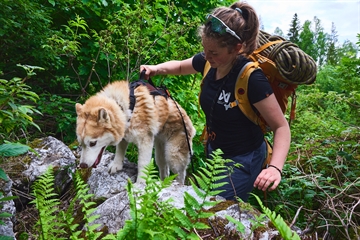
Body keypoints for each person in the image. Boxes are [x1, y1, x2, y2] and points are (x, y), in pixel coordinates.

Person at [140, 1, 290, 202]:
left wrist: (274, 169)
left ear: (236, 48)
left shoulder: (252, 79)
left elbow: (281, 126)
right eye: (205, 50)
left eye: (214, 53)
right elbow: (180, 67)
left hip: (243, 160)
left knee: (212, 214)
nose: (207, 56)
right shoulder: (210, 62)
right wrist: (156, 68)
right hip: (215, 155)